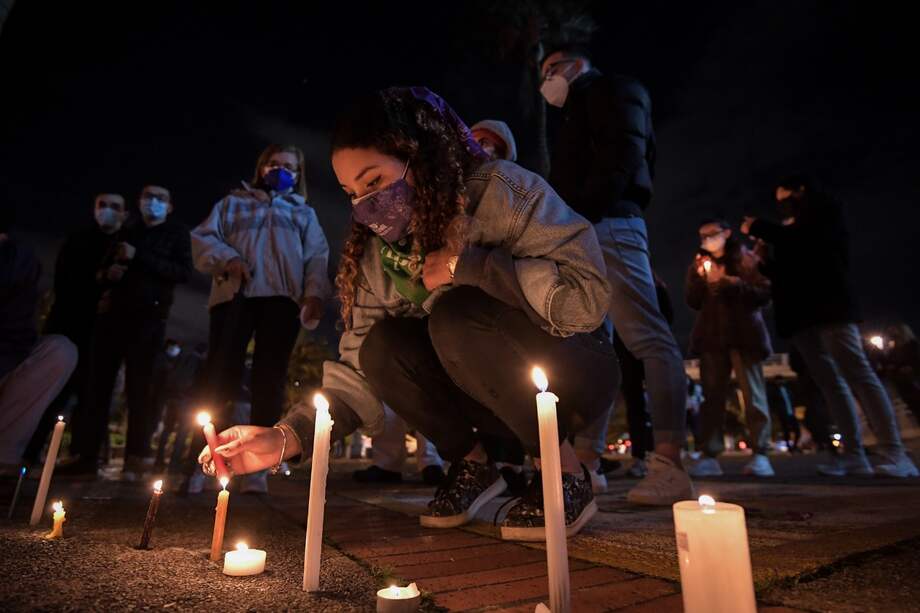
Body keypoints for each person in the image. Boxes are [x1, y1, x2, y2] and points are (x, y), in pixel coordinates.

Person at [198, 87, 618, 541]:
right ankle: (474, 466)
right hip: (493, 403)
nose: (365, 205)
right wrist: (286, 437)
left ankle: (565, 472)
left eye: (374, 181)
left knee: (454, 314)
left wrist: (469, 268)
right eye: (351, 192)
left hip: (574, 370)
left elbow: (586, 299)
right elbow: (357, 366)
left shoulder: (500, 192)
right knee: (382, 346)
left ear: (417, 156)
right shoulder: (379, 254)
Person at [539, 43, 692, 504]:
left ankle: (670, 461)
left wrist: (584, 211)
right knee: (599, 347)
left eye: (551, 68)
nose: (546, 80)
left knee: (647, 338)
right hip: (587, 227)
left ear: (577, 64)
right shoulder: (582, 107)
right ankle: (588, 460)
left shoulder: (612, 91)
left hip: (606, 223)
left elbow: (622, 155)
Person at [743, 175, 918, 477]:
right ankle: (854, 454)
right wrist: (763, 263)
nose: (782, 204)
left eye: (785, 197)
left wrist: (759, 227)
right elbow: (789, 271)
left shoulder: (823, 214)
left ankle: (894, 451)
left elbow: (810, 245)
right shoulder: (790, 229)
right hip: (800, 314)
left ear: (801, 191)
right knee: (830, 383)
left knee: (858, 373)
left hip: (829, 305)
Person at [191, 144, 330, 494]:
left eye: (289, 166)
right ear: (261, 167)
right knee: (220, 374)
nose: (280, 170)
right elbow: (204, 238)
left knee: (270, 377)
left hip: (282, 299)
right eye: (274, 163)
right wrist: (227, 258)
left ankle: (258, 466)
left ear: (298, 174)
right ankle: (205, 456)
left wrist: (314, 293)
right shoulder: (232, 203)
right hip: (235, 295)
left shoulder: (303, 212)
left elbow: (316, 257)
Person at [64, 185, 192, 479]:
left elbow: (182, 272)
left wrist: (140, 256)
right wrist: (106, 274)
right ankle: (86, 455)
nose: (153, 202)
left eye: (160, 198)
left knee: (140, 390)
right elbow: (105, 266)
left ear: (169, 206)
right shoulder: (128, 230)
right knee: (98, 388)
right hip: (113, 315)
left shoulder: (176, 234)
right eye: (148, 197)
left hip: (149, 319)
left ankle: (137, 457)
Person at [24, 193, 127, 464]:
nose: (107, 210)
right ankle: (28, 451)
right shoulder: (78, 241)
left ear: (125, 214)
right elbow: (65, 282)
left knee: (92, 395)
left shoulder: (126, 247)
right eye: (102, 205)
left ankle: (81, 456)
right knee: (51, 393)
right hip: (68, 326)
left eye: (115, 206)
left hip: (102, 335)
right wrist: (99, 278)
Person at [685, 218, 774, 477]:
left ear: (726, 233)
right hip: (712, 337)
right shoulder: (699, 263)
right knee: (712, 398)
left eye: (711, 234)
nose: (706, 240)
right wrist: (702, 282)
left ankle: (761, 452)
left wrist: (736, 285)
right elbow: (692, 300)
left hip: (745, 335)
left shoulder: (746, 259)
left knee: (753, 395)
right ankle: (710, 453)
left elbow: (764, 293)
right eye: (703, 236)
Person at [0, 206, 77, 468]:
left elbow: (17, 333)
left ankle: (4, 454)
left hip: (6, 357)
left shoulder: (17, 262)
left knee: (60, 351)